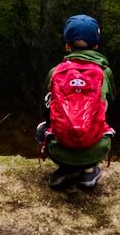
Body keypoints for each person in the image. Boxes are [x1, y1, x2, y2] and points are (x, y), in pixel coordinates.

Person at [36, 14, 115, 190]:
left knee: (42, 128)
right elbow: (109, 104)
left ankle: (65, 166)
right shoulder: (105, 72)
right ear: (96, 46)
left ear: (66, 45)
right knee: (101, 121)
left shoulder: (55, 72)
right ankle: (89, 172)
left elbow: (47, 113)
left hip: (58, 149)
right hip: (96, 149)